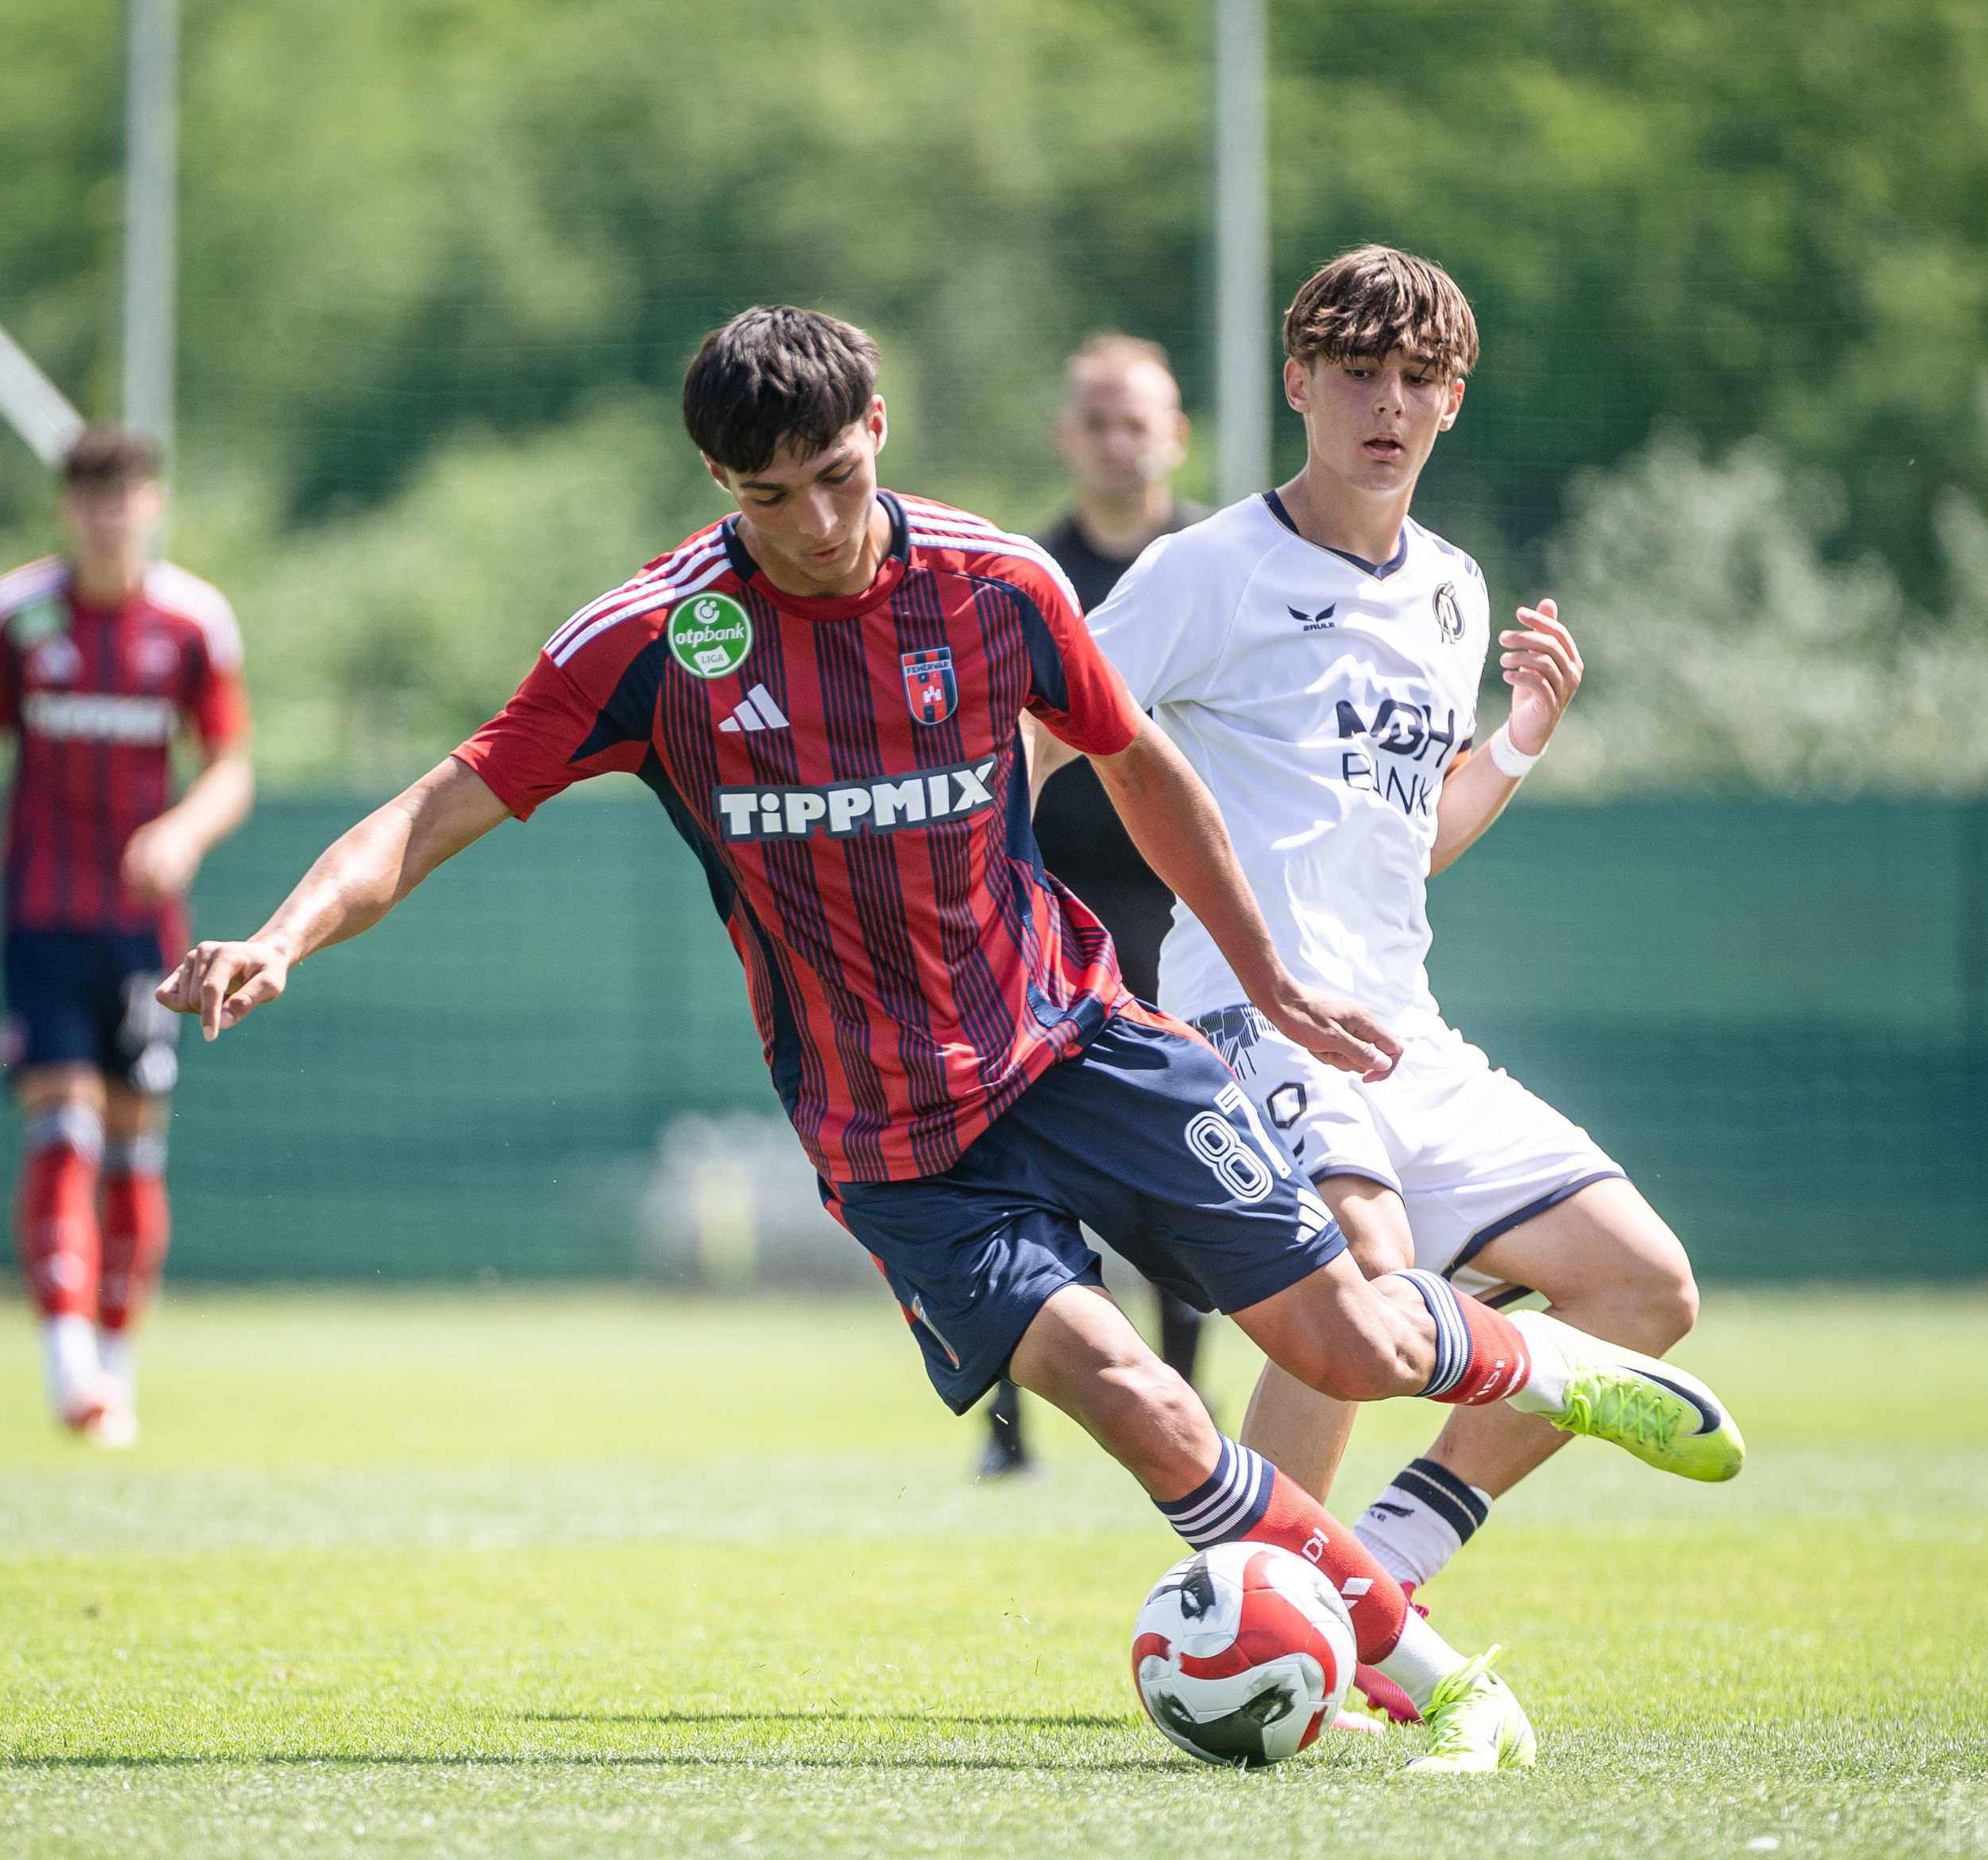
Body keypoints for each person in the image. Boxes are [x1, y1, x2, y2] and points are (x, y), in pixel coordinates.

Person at [156, 306, 1742, 1772]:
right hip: (895, 1143)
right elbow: (438, 803)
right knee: (1143, 1405)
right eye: (769, 497)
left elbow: (1143, 770)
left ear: (878, 431)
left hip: (1082, 1047)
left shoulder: (994, 583)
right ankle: (1446, 1683)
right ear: (718, 483)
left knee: (1352, 1347)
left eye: (837, 478)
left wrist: (1261, 975)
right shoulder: (655, 638)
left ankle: (1537, 1357)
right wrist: (284, 933)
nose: (815, 524)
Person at [1056, 246, 1742, 1724]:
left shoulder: (1452, 592)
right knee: (1363, 1289)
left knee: (1644, 1286)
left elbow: (1406, 839)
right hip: (1253, 1013)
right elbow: (1042, 733)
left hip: (1405, 1034)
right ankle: (1341, 1581)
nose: (1388, 403)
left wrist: (1521, 740)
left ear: (1454, 401)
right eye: (1359, 372)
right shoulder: (1209, 569)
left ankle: (1362, 1590)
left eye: (1419, 378)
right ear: (1297, 383)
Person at [0, 424, 253, 1447]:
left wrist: (183, 830)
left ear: (152, 504)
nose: (111, 517)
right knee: (61, 1124)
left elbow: (231, 766)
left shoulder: (194, 620)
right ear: (67, 509)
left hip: (146, 936)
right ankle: (70, 1367)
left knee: (134, 1147)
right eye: (93, 499)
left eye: (127, 498)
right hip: (39, 919)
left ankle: (116, 1370)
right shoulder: (15, 617)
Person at [980, 332, 1212, 1481]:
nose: (1120, 442)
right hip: (1047, 909)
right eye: (1099, 421)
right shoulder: (1030, 577)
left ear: (1175, 434)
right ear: (1067, 436)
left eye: (1139, 421)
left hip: (1187, 915)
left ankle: (1193, 1413)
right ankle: (1009, 1431)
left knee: (1185, 1161)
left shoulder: (1221, 564)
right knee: (1022, 1162)